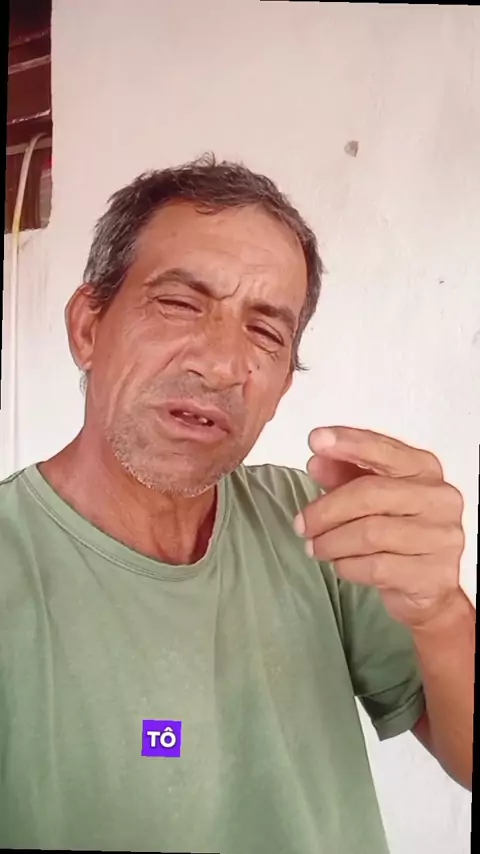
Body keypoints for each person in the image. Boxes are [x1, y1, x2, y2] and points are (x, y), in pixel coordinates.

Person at [0, 154, 474, 854]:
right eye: (179, 303)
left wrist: (441, 610)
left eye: (265, 332)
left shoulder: (318, 523)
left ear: (282, 386)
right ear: (88, 328)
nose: (222, 365)